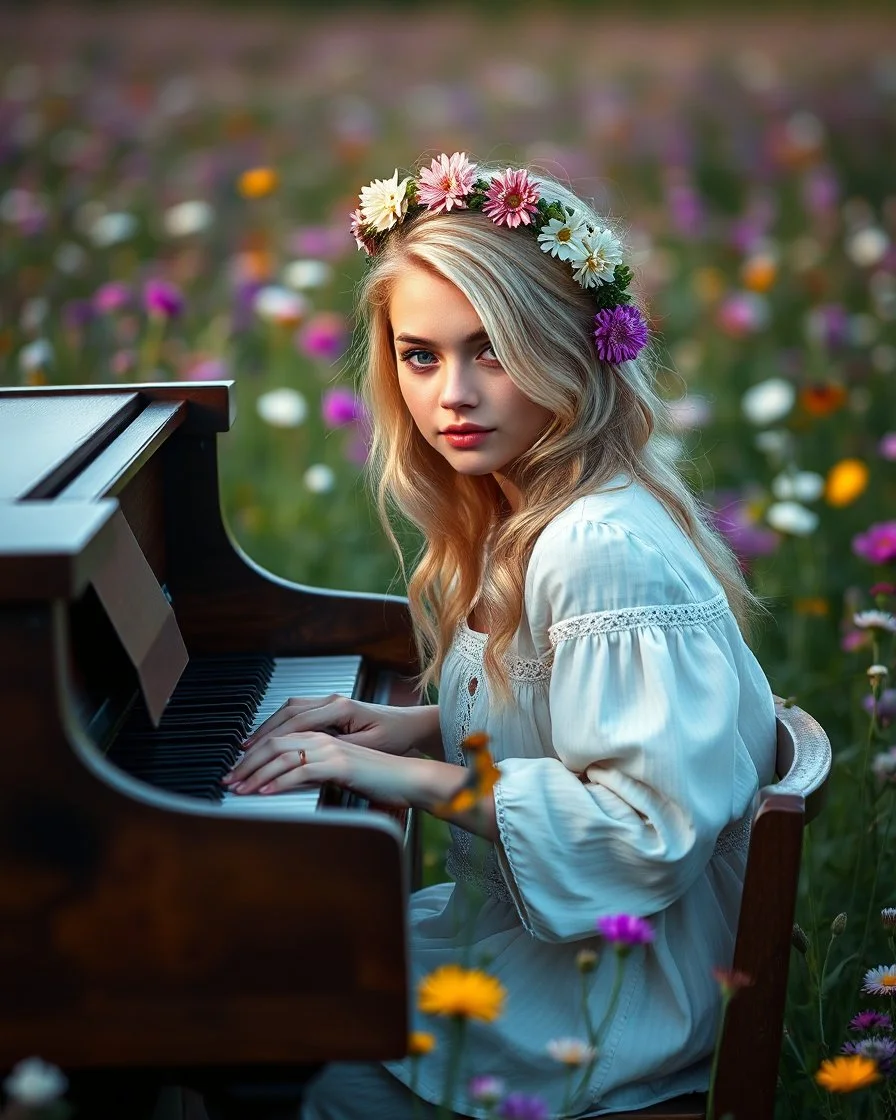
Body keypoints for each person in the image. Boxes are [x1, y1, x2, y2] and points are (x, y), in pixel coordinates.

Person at [223, 153, 778, 1119]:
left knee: (263, 1017)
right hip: (557, 951)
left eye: (493, 349)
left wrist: (399, 779)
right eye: (421, 355)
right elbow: (572, 722)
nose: (453, 395)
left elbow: (646, 831)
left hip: (611, 999)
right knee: (268, 959)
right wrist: (414, 727)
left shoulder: (598, 547)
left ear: (570, 347)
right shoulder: (535, 513)